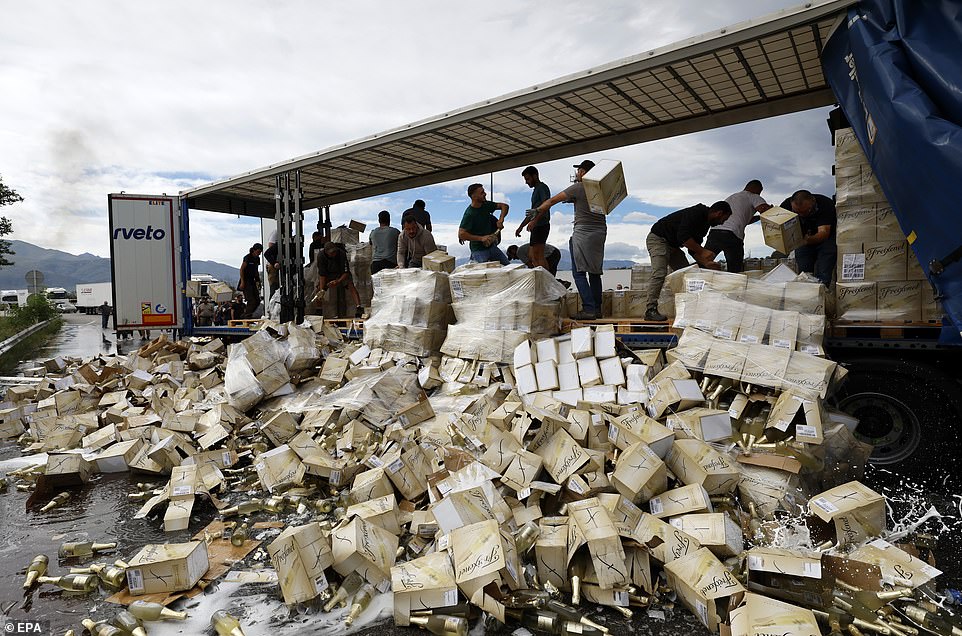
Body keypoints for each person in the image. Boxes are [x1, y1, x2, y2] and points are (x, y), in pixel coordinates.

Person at [533, 160, 605, 320]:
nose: (577, 174)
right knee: (594, 273)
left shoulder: (578, 188)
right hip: (600, 232)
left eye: (579, 171)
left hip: (583, 232)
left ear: (584, 172)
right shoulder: (600, 189)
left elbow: (552, 200)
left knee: (579, 273)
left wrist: (537, 210)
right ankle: (597, 309)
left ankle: (589, 309)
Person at [644, 201, 733, 321]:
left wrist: (706, 263)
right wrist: (703, 252)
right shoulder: (696, 213)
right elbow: (683, 237)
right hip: (659, 239)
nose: (722, 222)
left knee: (687, 274)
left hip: (673, 246)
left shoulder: (705, 225)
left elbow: (692, 249)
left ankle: (691, 308)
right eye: (724, 219)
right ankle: (650, 310)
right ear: (719, 213)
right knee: (659, 273)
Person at [704, 179, 772, 273]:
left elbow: (746, 220)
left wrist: (759, 218)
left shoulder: (733, 197)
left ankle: (696, 278)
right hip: (732, 235)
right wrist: (771, 209)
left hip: (715, 232)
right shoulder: (753, 196)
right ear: (758, 189)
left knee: (704, 261)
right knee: (735, 270)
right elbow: (764, 209)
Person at [780, 189, 837, 285]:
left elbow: (824, 232)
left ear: (813, 201)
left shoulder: (825, 204)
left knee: (823, 273)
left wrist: (807, 240)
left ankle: (822, 290)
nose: (802, 215)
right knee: (805, 275)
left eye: (806, 211)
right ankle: (807, 292)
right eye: (798, 212)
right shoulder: (786, 206)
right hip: (802, 240)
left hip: (825, 239)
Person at [459, 183, 510, 264]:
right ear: (474, 196)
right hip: (478, 250)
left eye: (484, 191)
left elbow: (504, 206)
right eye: (482, 193)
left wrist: (501, 219)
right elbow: (461, 234)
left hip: (492, 247)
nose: (485, 194)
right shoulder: (469, 214)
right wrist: (481, 238)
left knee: (507, 267)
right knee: (483, 270)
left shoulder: (486, 205)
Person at [514, 166, 552, 270]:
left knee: (538, 256)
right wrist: (521, 226)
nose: (526, 182)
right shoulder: (536, 190)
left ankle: (546, 278)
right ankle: (543, 276)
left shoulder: (542, 188)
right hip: (536, 226)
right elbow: (532, 213)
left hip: (542, 225)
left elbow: (546, 205)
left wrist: (534, 221)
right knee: (532, 256)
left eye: (528, 179)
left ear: (535, 176)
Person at [316, 242, 364, 318]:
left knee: (350, 285)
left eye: (334, 251)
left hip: (341, 273)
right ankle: (319, 310)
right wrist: (322, 290)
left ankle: (359, 307)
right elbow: (322, 275)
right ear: (326, 252)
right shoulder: (321, 256)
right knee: (319, 290)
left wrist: (338, 281)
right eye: (331, 253)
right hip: (328, 274)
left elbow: (346, 272)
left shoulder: (341, 253)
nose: (334, 254)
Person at [369, 210, 401, 274]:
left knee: (376, 281)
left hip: (375, 265)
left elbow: (370, 243)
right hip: (390, 264)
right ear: (389, 220)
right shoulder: (395, 232)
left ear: (379, 220)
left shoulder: (373, 232)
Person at [239, 243, 262, 318]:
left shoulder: (257, 259)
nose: (259, 254)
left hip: (252, 281)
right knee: (251, 300)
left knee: (257, 300)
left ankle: (246, 314)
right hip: (246, 281)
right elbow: (242, 269)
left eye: (260, 252)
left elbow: (256, 270)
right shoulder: (247, 257)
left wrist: (258, 281)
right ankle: (246, 316)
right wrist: (242, 282)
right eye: (258, 252)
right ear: (254, 250)